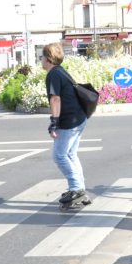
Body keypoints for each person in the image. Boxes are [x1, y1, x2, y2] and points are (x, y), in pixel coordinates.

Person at [41, 43, 91, 211]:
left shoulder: (53, 74)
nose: (40, 60)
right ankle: (80, 188)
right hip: (79, 117)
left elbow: (55, 99)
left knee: (59, 156)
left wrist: (54, 123)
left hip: (70, 120)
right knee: (70, 154)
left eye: (41, 57)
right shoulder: (61, 71)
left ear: (48, 59)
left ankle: (76, 188)